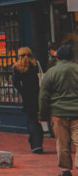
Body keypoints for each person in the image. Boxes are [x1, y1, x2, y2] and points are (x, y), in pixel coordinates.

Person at [42, 42, 78, 176]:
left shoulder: (51, 72)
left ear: (58, 57)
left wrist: (43, 115)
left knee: (62, 143)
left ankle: (65, 170)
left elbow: (44, 95)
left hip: (58, 113)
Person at [12, 46, 44, 154]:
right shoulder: (35, 64)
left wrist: (23, 92)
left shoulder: (17, 67)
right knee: (36, 119)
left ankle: (36, 144)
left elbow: (16, 83)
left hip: (27, 96)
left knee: (32, 120)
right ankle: (38, 142)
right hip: (37, 94)